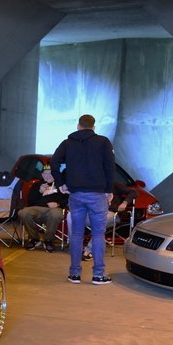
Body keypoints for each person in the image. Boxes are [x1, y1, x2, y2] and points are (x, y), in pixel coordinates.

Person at [51, 113, 116, 285]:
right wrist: (109, 190)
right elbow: (110, 167)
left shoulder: (67, 143)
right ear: (94, 127)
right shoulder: (103, 142)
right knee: (98, 234)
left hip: (76, 195)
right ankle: (98, 275)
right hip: (97, 195)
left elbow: (54, 162)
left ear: (78, 126)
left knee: (76, 235)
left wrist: (60, 183)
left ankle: (74, 274)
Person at [81, 180, 137, 260]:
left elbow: (133, 192)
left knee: (99, 221)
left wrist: (124, 203)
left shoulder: (113, 183)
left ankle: (90, 251)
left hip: (111, 213)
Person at [19, 166, 67, 252]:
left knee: (56, 214)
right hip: (37, 208)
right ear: (42, 175)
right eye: (45, 173)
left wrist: (58, 204)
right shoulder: (37, 185)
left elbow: (67, 198)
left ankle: (48, 240)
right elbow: (30, 201)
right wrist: (39, 191)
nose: (48, 175)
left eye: (50, 173)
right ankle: (34, 238)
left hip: (54, 209)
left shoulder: (60, 185)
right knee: (23, 212)